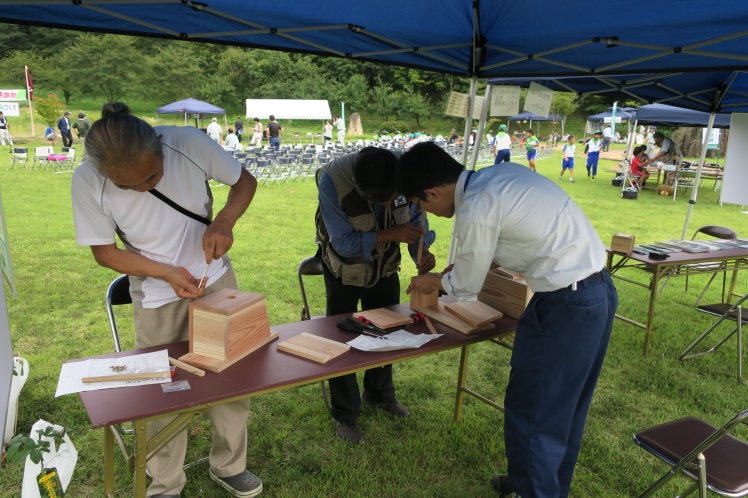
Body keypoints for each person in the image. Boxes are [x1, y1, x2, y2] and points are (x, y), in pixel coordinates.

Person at [398, 142, 617, 498]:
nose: (428, 213)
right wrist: (470, 265)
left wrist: (437, 280)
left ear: (432, 192)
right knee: (563, 408)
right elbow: (521, 236)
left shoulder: (477, 206)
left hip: (566, 305)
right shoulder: (501, 175)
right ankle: (530, 483)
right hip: (594, 292)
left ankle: (536, 490)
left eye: (422, 204)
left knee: (536, 413)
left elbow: (465, 287)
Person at [71, 102, 262, 498]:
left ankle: (229, 465)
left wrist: (223, 221)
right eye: (128, 186)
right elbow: (105, 252)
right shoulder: (87, 179)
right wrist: (166, 273)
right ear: (106, 173)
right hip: (156, 294)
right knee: (164, 387)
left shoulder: (187, 142)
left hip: (216, 278)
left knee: (230, 374)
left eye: (151, 177)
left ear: (159, 147)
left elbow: (245, 182)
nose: (142, 189)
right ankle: (166, 483)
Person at [315, 146, 436, 444]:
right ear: (359, 185)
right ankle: (345, 413)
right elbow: (342, 242)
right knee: (341, 342)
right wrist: (393, 234)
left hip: (385, 270)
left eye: (389, 197)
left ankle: (379, 394)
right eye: (377, 200)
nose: (385, 204)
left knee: (387, 331)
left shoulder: (405, 172)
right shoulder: (332, 180)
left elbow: (417, 217)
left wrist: (421, 250)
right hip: (345, 271)